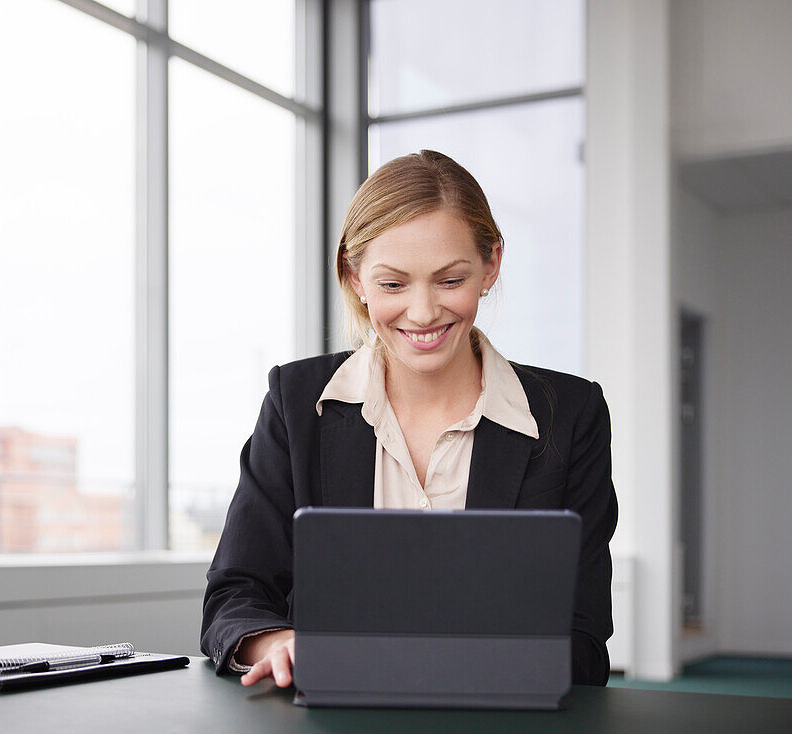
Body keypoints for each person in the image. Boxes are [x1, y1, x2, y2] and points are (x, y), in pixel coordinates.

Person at [199, 149, 618, 689]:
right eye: (393, 284)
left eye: (449, 281)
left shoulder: (572, 414)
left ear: (490, 266)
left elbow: (583, 641)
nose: (422, 313)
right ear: (355, 276)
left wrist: (459, 668)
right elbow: (235, 593)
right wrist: (276, 641)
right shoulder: (296, 400)